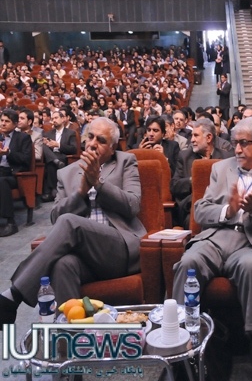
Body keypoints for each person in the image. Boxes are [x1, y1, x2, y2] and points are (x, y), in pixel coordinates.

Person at [172, 117, 252, 381]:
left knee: (250, 267)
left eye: (243, 143)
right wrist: (229, 210)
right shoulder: (220, 168)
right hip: (216, 237)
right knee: (188, 262)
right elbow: (201, 210)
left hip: (249, 241)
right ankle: (180, 345)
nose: (236, 149)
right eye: (235, 142)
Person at [0, 117, 147, 326]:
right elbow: (55, 217)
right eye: (90, 137)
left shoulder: (125, 162)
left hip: (117, 250)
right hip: (84, 257)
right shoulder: (66, 173)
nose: (93, 144)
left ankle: (13, 295)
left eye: (101, 140)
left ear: (113, 147)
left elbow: (133, 205)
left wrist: (98, 183)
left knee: (70, 222)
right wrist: (80, 193)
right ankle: (72, 336)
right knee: (63, 265)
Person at [170, 118, 233, 228]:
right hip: (191, 209)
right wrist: (193, 180)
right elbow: (174, 186)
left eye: (196, 136)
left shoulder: (226, 158)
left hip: (219, 206)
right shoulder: (184, 157)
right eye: (192, 135)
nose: (192, 140)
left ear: (209, 138)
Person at [0, 110, 33, 238]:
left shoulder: (23, 138)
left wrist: (8, 153)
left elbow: (25, 159)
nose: (3, 124)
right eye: (2, 120)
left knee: (2, 181)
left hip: (14, 174)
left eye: (7, 121)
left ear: (15, 124)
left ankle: (11, 222)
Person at [42, 110, 78, 202]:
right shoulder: (48, 133)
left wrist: (58, 145)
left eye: (56, 118)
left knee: (51, 163)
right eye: (52, 118)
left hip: (63, 155)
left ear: (63, 119)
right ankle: (55, 190)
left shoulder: (70, 133)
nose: (54, 120)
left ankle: (52, 191)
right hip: (52, 155)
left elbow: (73, 149)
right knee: (43, 145)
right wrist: (47, 144)